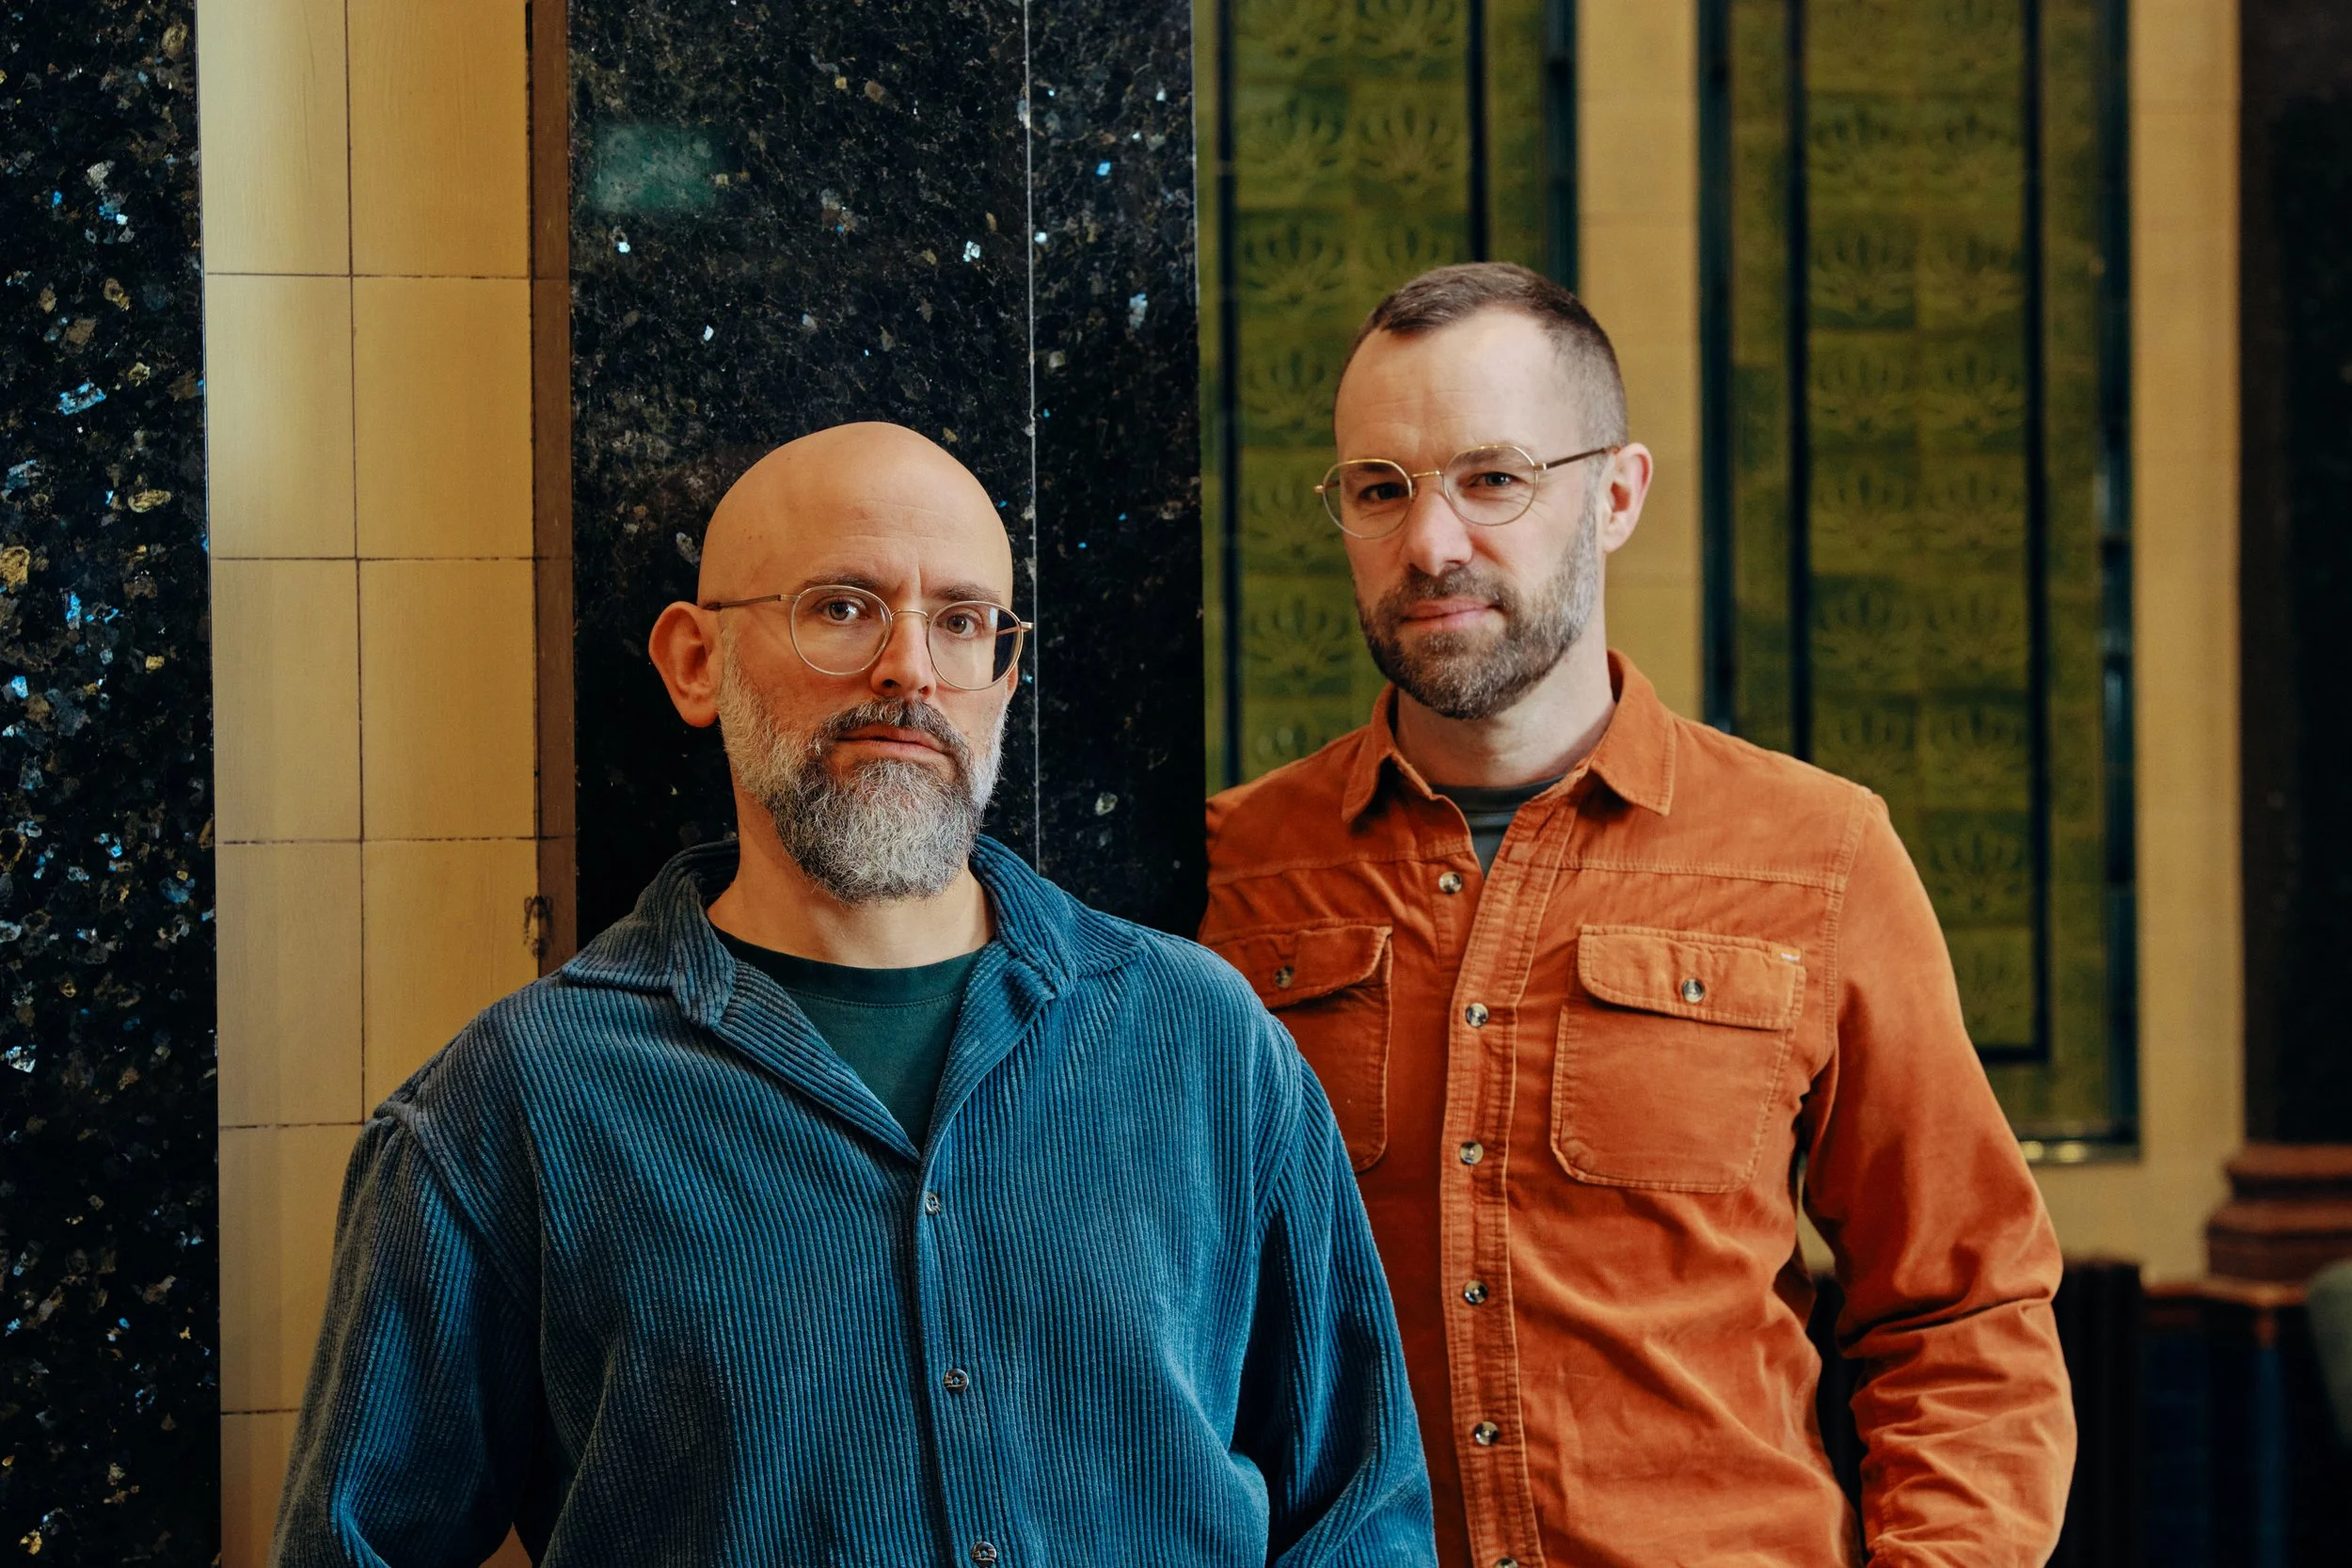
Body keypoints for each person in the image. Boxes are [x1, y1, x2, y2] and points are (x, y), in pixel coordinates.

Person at [274, 422, 1437, 1567]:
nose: (910, 669)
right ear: (695, 662)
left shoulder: (1203, 1039)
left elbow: (1359, 1516)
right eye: (842, 607)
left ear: (1003, 675)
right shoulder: (511, 1104)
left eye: (962, 621)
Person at [1200, 264, 2074, 1567]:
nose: (1431, 542)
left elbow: (1964, 1306)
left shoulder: (1821, 855)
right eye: (1380, 488)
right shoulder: (1229, 872)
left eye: (1493, 478)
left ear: (1615, 495)